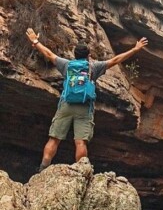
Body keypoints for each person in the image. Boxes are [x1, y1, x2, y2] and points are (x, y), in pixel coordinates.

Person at [26, 27, 148, 170]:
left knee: (54, 139)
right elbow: (116, 59)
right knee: (80, 142)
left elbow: (49, 53)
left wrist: (35, 41)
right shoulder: (93, 67)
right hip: (84, 106)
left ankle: (43, 166)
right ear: (89, 55)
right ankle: (80, 171)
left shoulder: (67, 65)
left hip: (66, 104)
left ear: (74, 54)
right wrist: (135, 49)